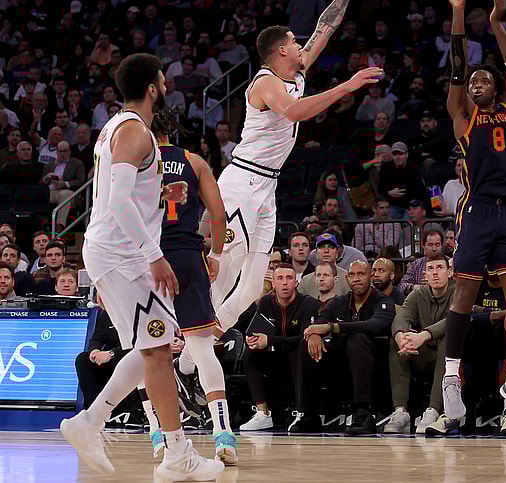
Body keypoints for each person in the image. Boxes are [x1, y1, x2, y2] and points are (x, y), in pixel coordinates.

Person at [61, 53, 223, 479]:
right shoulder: (135, 132)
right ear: (154, 86)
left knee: (151, 346)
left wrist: (161, 190)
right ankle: (176, 455)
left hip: (114, 251)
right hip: (125, 254)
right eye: (162, 78)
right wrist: (154, 255)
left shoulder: (118, 127)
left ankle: (90, 421)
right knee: (156, 352)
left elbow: (123, 190)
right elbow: (116, 203)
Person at [208, 21, 383, 349]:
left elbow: (324, 29)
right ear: (281, 50)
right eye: (293, 40)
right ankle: (191, 336)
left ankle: (194, 354)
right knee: (227, 267)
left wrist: (338, 13)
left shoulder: (296, 72)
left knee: (253, 286)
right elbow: (295, 111)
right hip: (242, 181)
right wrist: (348, 86)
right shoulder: (265, 84)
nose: (301, 45)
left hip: (266, 185)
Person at [438, 0, 506, 434]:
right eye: (472, 80)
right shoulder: (463, 115)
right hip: (475, 212)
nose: (475, 83)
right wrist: (459, 11)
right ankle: (452, 377)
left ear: (494, 87)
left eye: (483, 79)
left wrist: (495, 22)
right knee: (464, 294)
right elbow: (458, 64)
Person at [145, 111, 237, 463]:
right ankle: (223, 435)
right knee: (202, 348)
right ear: (173, 131)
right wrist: (214, 254)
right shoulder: (194, 160)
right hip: (188, 255)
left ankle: (158, 433)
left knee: (146, 349)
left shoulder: (136, 163)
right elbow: (218, 215)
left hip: (151, 258)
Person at [290, 260, 396, 434]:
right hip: (340, 365)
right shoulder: (338, 302)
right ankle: (308, 415)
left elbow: (375, 325)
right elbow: (320, 321)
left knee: (358, 339)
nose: (356, 279)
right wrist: (315, 334)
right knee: (305, 344)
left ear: (370, 276)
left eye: (361, 274)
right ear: (346, 279)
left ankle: (364, 414)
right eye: (352, 275)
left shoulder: (383, 302)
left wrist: (332, 328)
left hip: (374, 365)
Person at [239, 264, 319, 431]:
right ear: (273, 283)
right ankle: (263, 413)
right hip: (276, 360)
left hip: (301, 361)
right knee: (250, 353)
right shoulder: (266, 302)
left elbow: (302, 339)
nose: (285, 283)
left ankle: (302, 412)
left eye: (289, 278)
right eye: (280, 279)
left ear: (296, 282)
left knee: (299, 350)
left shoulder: (308, 304)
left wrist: (270, 341)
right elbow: (258, 331)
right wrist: (253, 340)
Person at [385, 255, 454, 434]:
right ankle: (400, 411)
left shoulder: (459, 291)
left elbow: (454, 320)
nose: (435, 273)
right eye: (431, 269)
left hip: (454, 356)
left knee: (448, 340)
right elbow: (401, 317)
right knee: (397, 343)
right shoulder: (418, 294)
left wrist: (424, 335)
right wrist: (402, 337)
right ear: (425, 275)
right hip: (426, 355)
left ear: (450, 272)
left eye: (440, 268)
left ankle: (433, 410)